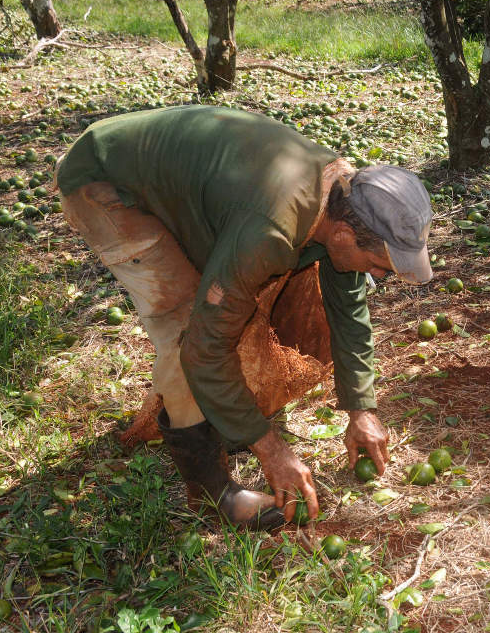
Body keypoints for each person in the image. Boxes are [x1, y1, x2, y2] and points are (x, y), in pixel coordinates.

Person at [56, 105, 433, 530]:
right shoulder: (270, 231)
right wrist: (271, 450)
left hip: (194, 185)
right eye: (379, 263)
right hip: (106, 183)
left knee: (242, 300)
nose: (381, 275)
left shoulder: (345, 200)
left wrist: (361, 408)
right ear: (344, 236)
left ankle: (218, 414)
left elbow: (347, 306)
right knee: (186, 330)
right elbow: (202, 350)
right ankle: (210, 493)